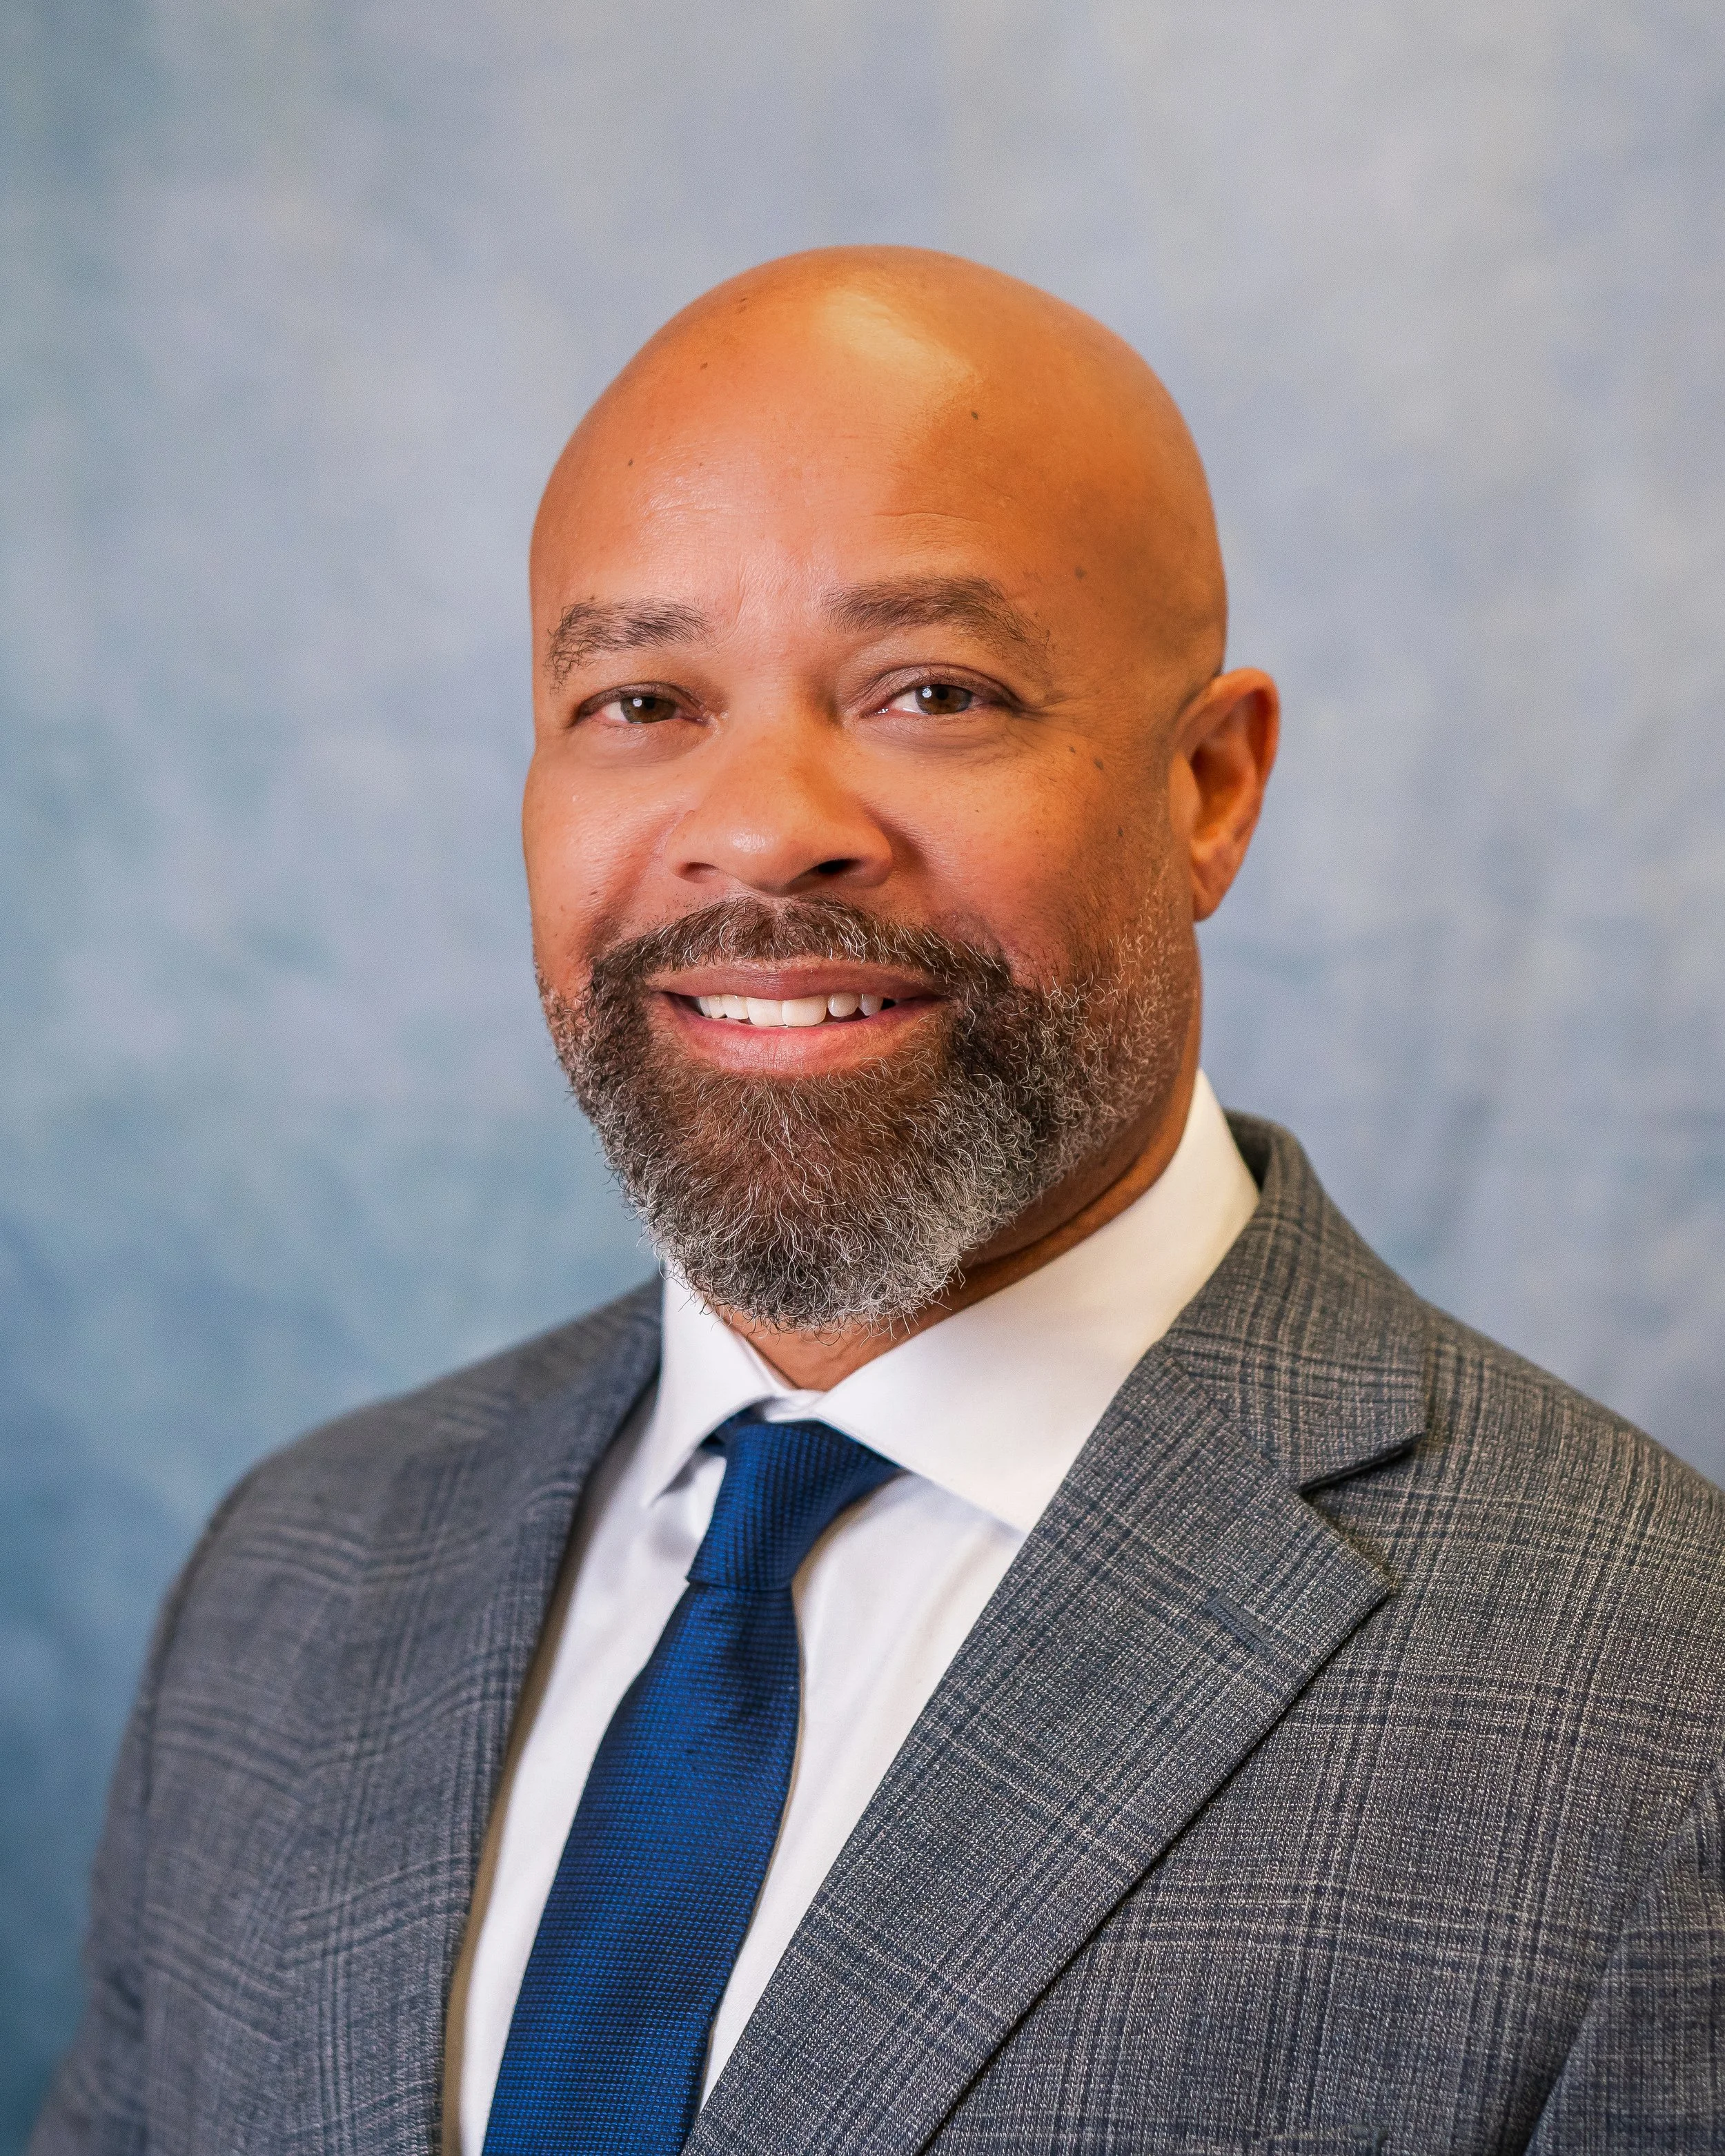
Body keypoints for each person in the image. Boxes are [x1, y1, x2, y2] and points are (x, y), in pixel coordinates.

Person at [32, 247, 1725, 2156]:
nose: (758, 825)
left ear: (1207, 788)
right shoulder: (297, 1570)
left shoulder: (1661, 1709)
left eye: (930, 689)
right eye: (639, 695)